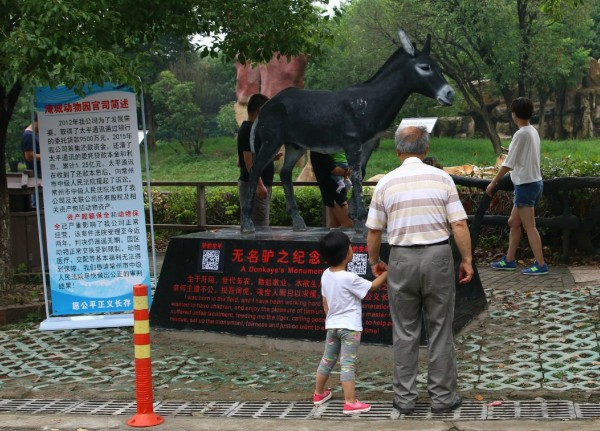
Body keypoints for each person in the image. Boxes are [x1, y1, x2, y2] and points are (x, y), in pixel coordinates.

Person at [365, 125, 473, 415]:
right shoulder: (442, 179)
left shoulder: (386, 183)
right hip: (438, 257)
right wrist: (466, 260)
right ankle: (442, 398)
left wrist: (374, 260)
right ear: (425, 150)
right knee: (440, 329)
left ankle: (404, 399)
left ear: (398, 150)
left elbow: (374, 230)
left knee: (404, 331)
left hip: (400, 260)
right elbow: (459, 224)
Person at [313, 230, 388, 415]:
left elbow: (325, 302)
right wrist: (388, 272)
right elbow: (373, 286)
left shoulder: (325, 275)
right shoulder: (349, 278)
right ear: (347, 253)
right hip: (350, 328)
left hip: (332, 326)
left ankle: (319, 393)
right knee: (348, 364)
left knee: (327, 359)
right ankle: (350, 402)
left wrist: (331, 318)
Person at [486, 97, 548, 275]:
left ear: (514, 114)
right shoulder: (532, 131)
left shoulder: (521, 134)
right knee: (513, 222)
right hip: (534, 182)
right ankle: (510, 260)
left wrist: (493, 182)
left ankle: (540, 264)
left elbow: (508, 163)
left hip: (526, 185)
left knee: (530, 226)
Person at [237, 93, 280, 227]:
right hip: (254, 186)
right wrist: (259, 185)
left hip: (256, 184)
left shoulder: (250, 129)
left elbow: (242, 161)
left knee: (258, 223)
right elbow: (247, 160)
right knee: (259, 226)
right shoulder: (250, 130)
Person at [310, 151, 354, 228]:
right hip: (335, 194)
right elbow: (335, 170)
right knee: (348, 224)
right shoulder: (320, 152)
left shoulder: (320, 150)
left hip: (334, 192)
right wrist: (346, 171)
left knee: (333, 226)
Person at [21, 115, 42, 208]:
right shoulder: (28, 135)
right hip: (36, 174)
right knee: (37, 202)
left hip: (40, 173)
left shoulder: (35, 134)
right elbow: (29, 156)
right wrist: (46, 157)